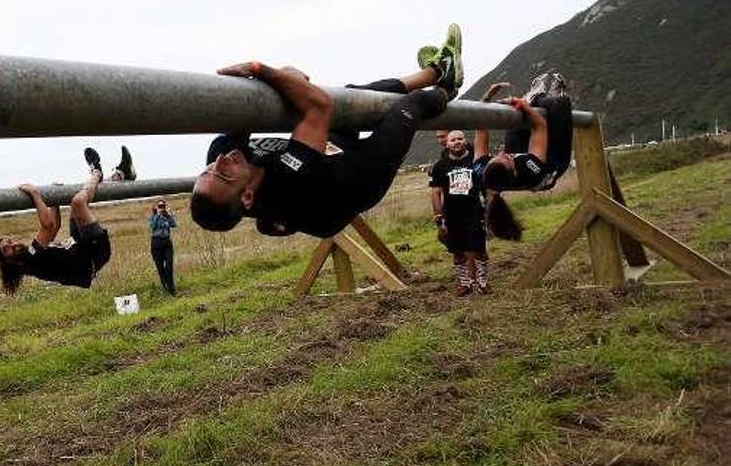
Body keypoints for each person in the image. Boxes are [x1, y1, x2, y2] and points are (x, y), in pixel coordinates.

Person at [190, 24, 463, 238]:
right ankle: (445, 90)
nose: (220, 162)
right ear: (247, 195)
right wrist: (260, 70)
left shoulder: (221, 157)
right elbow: (319, 107)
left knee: (353, 98)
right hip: (358, 180)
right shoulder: (288, 183)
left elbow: (252, 106)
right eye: (223, 175)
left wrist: (283, 77)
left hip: (328, 160)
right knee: (411, 106)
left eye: (208, 170)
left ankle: (437, 71)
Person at [0, 149, 114, 293]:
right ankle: (97, 172)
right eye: (7, 249)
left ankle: (117, 176)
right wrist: (35, 194)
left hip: (81, 247)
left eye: (10, 241)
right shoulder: (30, 259)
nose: (14, 245)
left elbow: (55, 226)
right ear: (7, 260)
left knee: (77, 203)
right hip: (93, 253)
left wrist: (53, 200)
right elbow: (48, 226)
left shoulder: (29, 256)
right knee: (78, 202)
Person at [482, 72, 575, 192]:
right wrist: (524, 105)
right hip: (549, 169)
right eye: (506, 158)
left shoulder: (485, 173)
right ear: (514, 171)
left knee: (516, 122)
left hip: (519, 165)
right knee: (560, 107)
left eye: (496, 157)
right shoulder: (530, 169)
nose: (501, 153)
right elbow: (540, 126)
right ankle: (552, 96)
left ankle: (535, 98)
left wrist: (486, 99)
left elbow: (481, 129)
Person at [429, 130, 490, 296]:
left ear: (465, 141)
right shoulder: (440, 166)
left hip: (474, 211)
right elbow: (435, 192)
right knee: (457, 251)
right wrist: (438, 216)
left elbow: (487, 187)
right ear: (447, 144)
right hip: (452, 214)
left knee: (480, 249)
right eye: (453, 140)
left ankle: (483, 282)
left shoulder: (475, 161)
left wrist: (489, 210)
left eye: (459, 139)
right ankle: (464, 284)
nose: (456, 142)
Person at [149, 199, 179, 295]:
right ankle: (165, 288)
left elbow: (174, 225)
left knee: (169, 266)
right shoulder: (153, 217)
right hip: (156, 243)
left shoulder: (167, 217)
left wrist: (169, 214)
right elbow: (153, 226)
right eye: (160, 206)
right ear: (156, 208)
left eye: (163, 206)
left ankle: (172, 289)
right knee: (160, 267)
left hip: (167, 242)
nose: (162, 208)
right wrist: (158, 215)